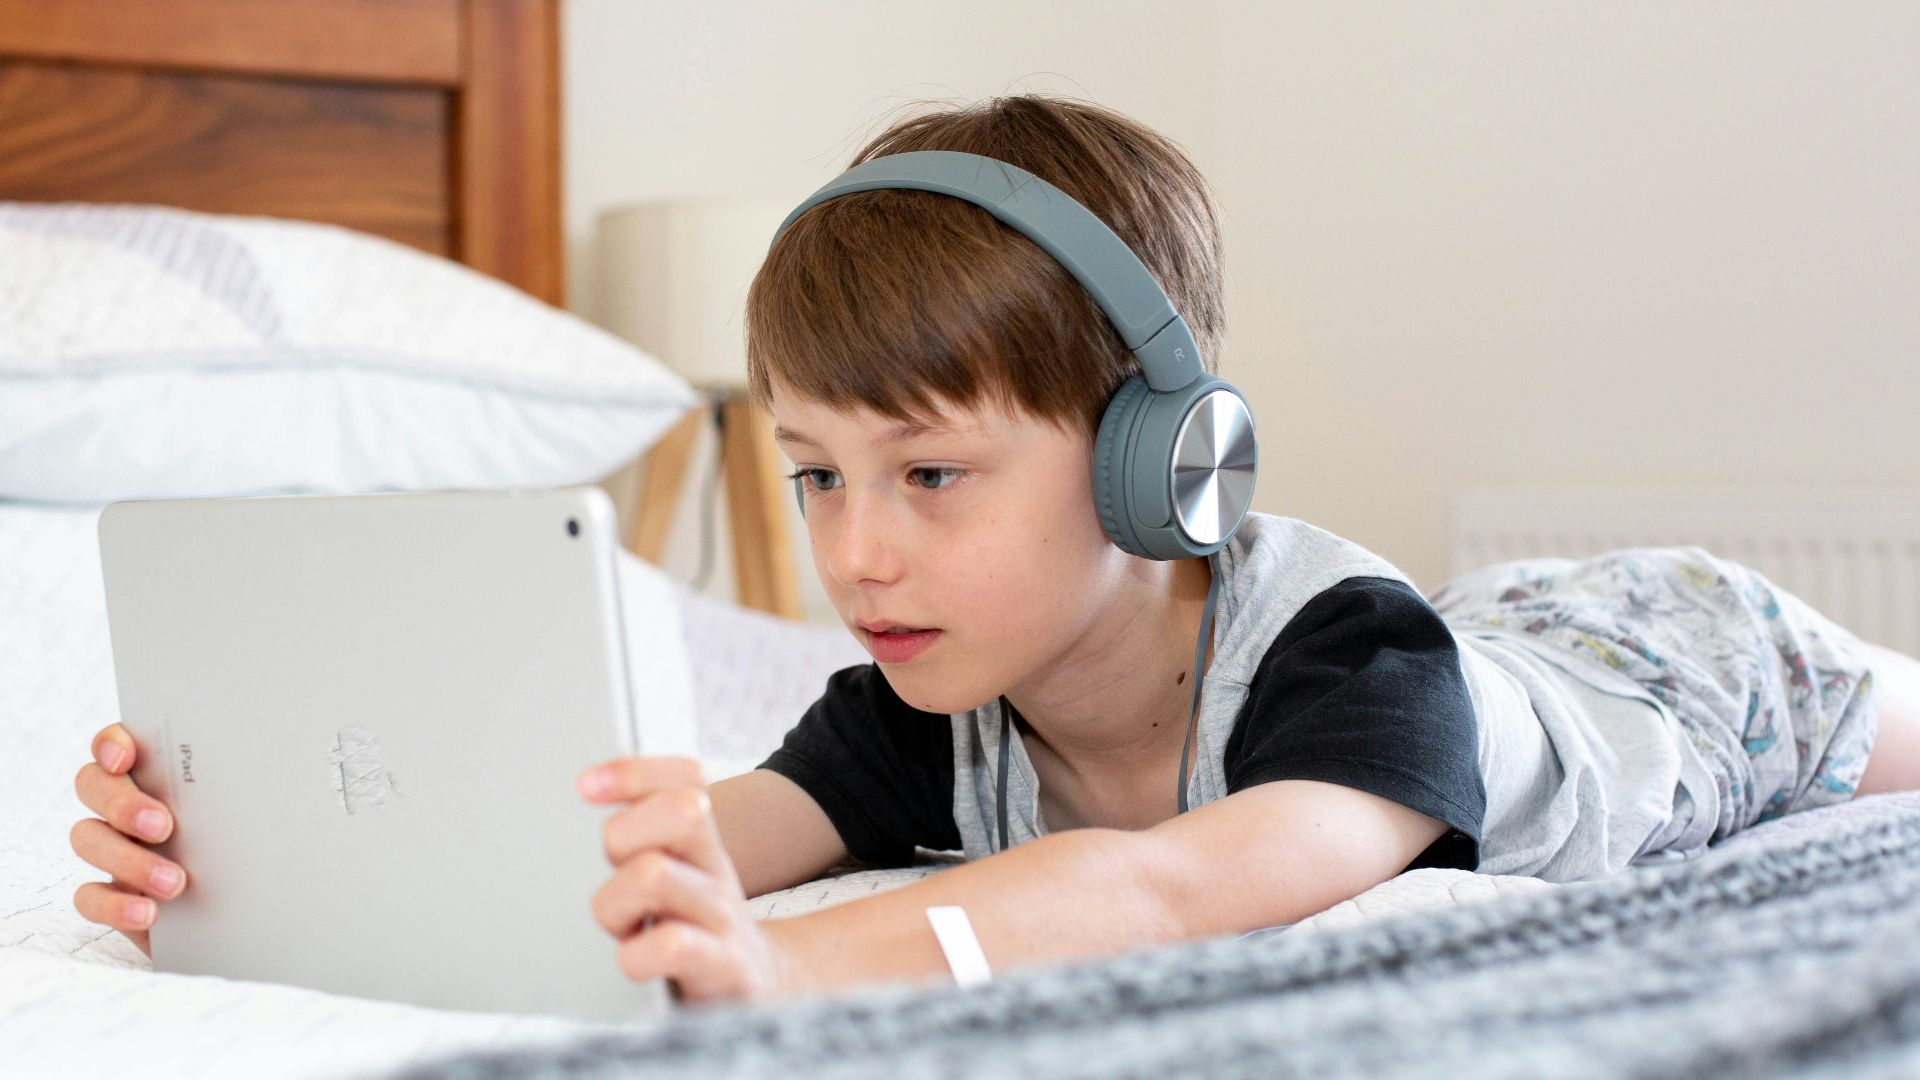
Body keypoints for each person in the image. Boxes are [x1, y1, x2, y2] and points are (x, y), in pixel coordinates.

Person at [69, 95, 1920, 1007]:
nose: (853, 552)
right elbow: (668, 850)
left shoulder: (1358, 670)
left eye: (931, 475)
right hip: (1508, 648)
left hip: (1682, 672)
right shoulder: (910, 699)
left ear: (1157, 469)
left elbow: (1164, 894)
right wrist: (271, 872)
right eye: (810, 476)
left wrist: (793, 972)